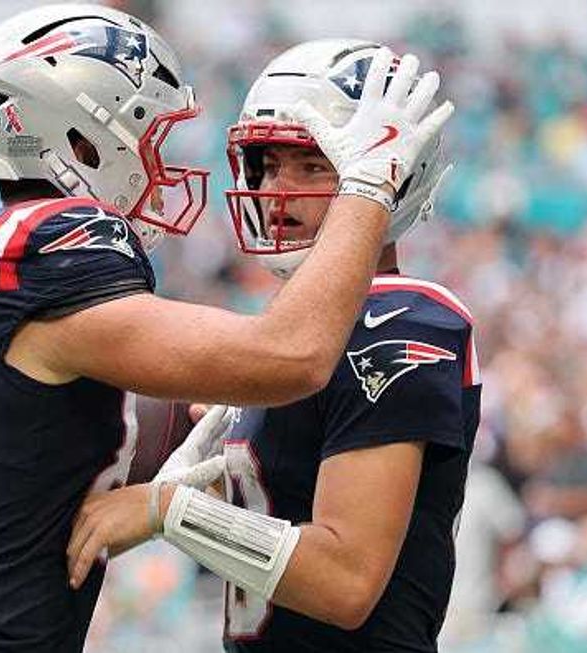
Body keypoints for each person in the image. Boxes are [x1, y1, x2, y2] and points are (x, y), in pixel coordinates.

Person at [0, 5, 453, 651]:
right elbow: (294, 355)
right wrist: (368, 184)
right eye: (148, 135)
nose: (159, 164)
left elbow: (26, 444)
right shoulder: (58, 241)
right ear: (82, 141)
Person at [68, 39, 478, 653]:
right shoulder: (287, 336)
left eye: (312, 166)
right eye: (266, 163)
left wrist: (169, 511)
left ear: (396, 172)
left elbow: (345, 581)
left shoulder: (399, 319)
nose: (277, 189)